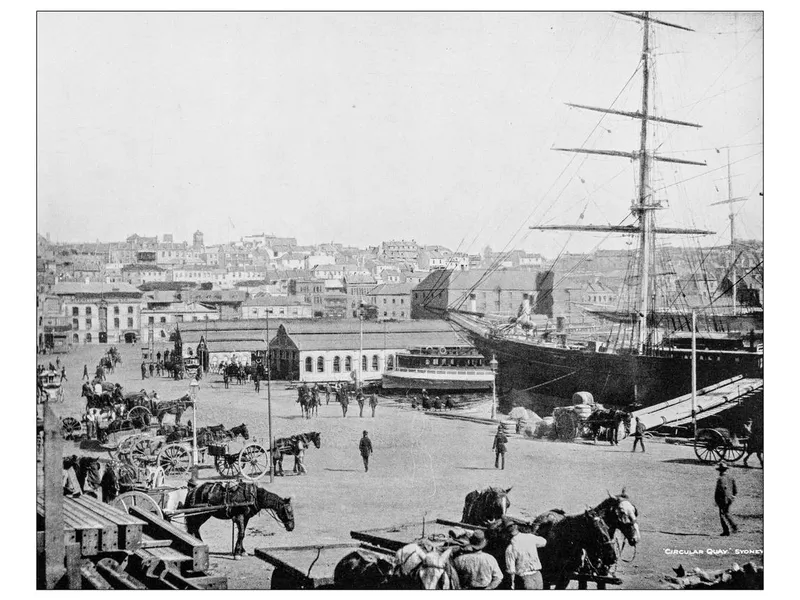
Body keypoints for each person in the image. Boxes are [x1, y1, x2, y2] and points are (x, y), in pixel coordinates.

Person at [503, 518, 547, 589]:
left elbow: (511, 570)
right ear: (517, 527)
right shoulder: (530, 537)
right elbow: (544, 542)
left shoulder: (510, 548)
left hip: (524, 578)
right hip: (538, 576)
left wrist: (512, 585)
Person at [715, 463, 738, 536]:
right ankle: (733, 526)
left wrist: (717, 500)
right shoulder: (731, 478)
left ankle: (726, 530)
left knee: (722, 515)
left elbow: (720, 490)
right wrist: (733, 496)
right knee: (727, 512)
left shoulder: (720, 479)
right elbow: (735, 489)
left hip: (722, 499)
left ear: (720, 471)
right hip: (730, 498)